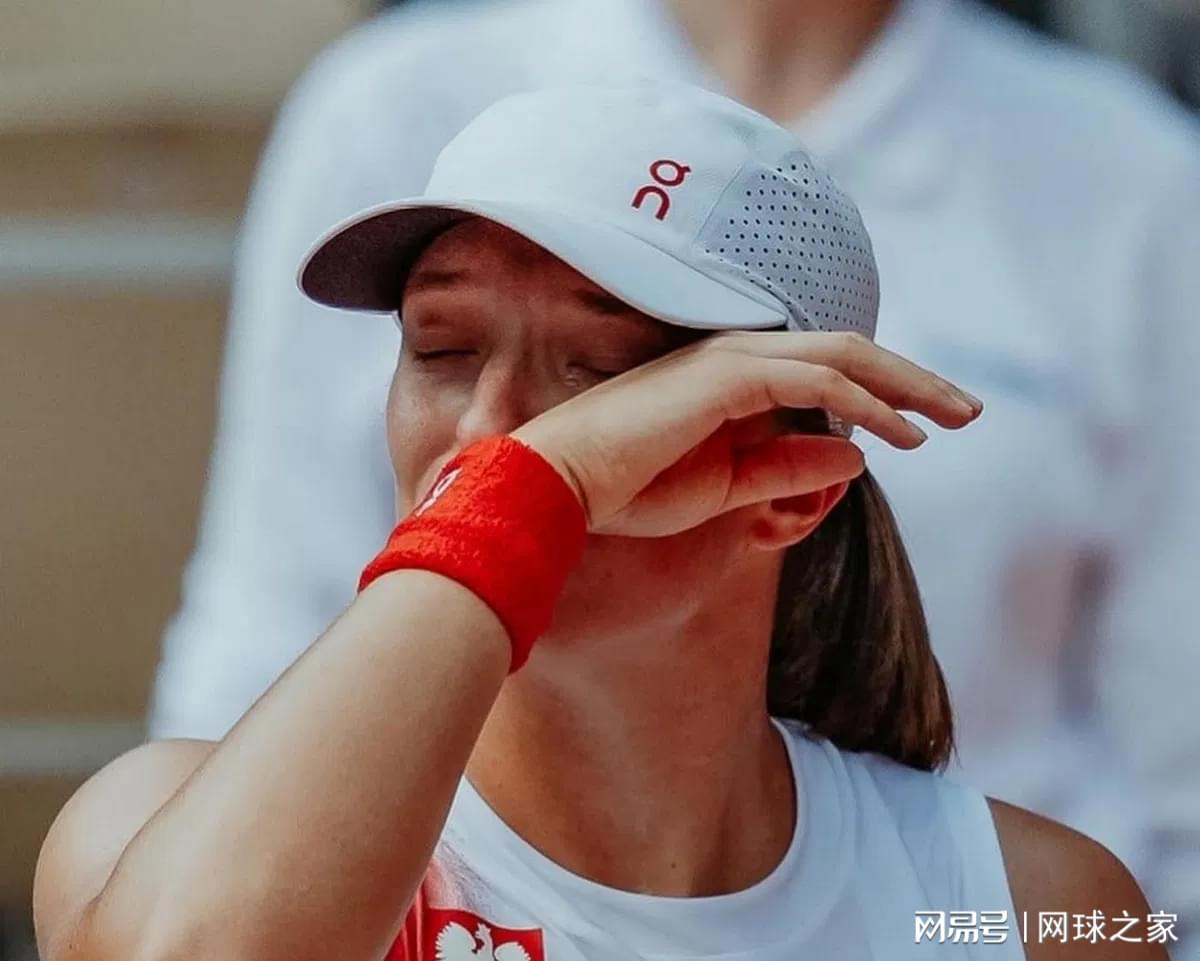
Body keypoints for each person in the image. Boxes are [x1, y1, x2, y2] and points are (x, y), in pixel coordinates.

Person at [148, 0, 1200, 948]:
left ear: (794, 484)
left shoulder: (1031, 908)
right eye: (441, 347)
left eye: (603, 374)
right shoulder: (174, 827)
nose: (490, 430)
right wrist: (515, 505)